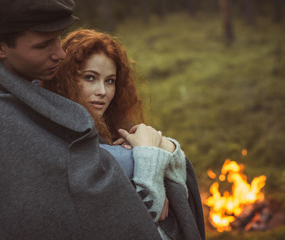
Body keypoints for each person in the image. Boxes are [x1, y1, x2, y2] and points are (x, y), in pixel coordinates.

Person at [0, 1, 166, 239]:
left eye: (58, 38)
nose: (60, 53)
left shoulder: (34, 86)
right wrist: (149, 162)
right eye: (43, 45)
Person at [43, 29, 206, 240]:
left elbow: (172, 198)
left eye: (109, 81)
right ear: (65, 79)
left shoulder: (114, 131)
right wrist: (148, 154)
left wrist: (166, 147)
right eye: (90, 77)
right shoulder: (59, 142)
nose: (102, 90)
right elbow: (141, 218)